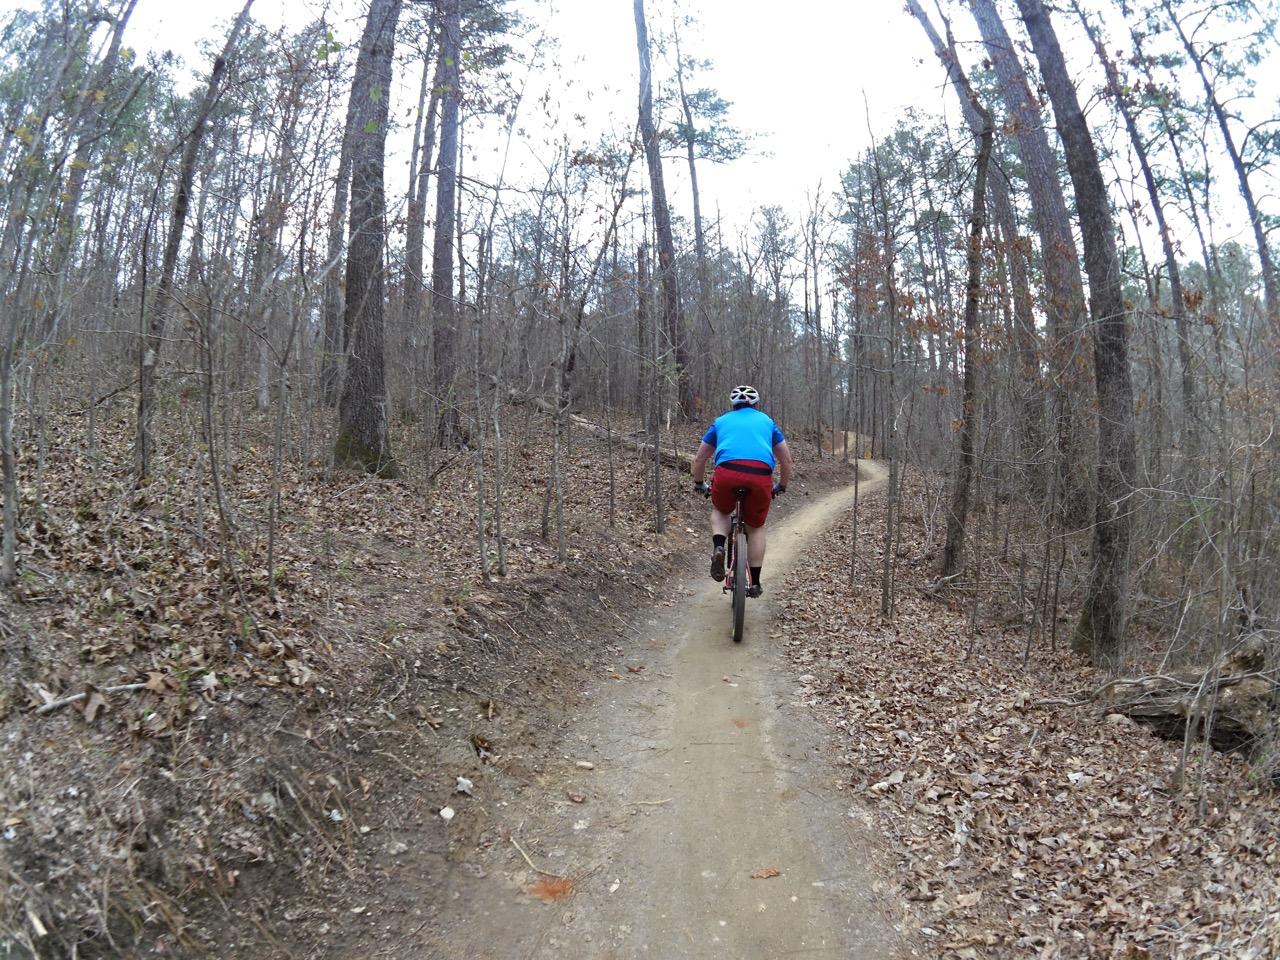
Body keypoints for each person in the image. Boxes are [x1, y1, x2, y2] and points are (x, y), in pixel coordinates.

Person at [691, 385, 792, 597]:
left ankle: (719, 546)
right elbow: (786, 459)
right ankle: (755, 582)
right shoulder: (767, 422)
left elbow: (700, 458)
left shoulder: (720, 422)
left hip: (727, 473)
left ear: (733, 405)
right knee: (755, 527)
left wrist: (699, 482)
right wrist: (781, 485)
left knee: (720, 511)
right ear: (756, 404)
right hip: (760, 476)